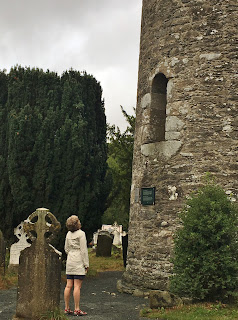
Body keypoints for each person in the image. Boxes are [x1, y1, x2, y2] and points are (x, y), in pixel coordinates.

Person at [64, 215, 89, 316]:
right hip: (78, 260)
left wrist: (71, 254)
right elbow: (83, 250)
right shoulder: (81, 234)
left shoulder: (68, 234)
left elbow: (66, 248)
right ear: (77, 223)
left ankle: (66, 308)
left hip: (70, 260)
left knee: (68, 285)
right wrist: (86, 264)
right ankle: (77, 309)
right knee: (77, 286)